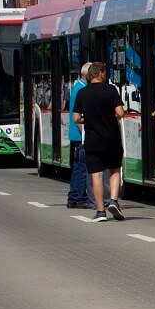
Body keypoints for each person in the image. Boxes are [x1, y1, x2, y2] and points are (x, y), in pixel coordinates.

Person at [73, 62, 126, 223]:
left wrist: (88, 119)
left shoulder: (82, 93)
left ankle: (100, 211)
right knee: (115, 170)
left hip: (92, 140)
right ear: (101, 73)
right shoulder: (110, 90)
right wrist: (111, 117)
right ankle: (114, 201)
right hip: (111, 138)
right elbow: (120, 112)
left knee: (96, 175)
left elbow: (76, 118)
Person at [66, 63, 92, 209]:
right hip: (80, 134)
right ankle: (79, 198)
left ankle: (73, 197)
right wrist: (85, 135)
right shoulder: (82, 89)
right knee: (82, 167)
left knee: (78, 167)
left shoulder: (77, 87)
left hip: (76, 134)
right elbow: (80, 116)